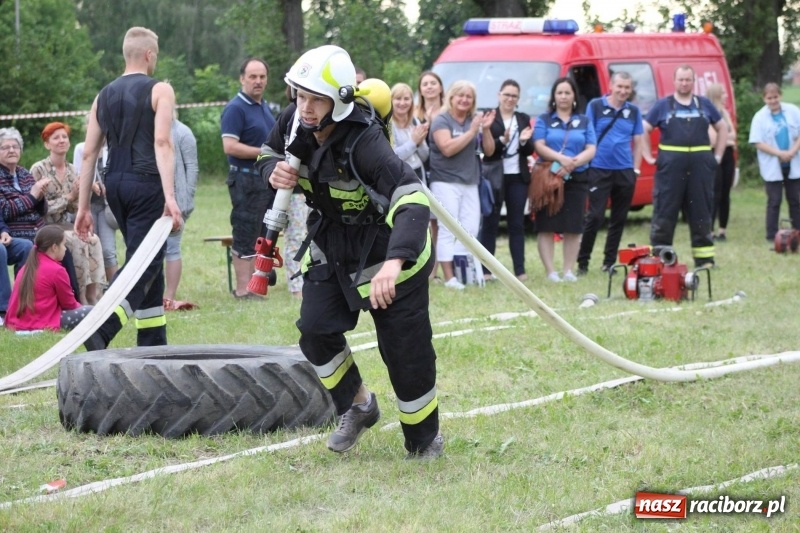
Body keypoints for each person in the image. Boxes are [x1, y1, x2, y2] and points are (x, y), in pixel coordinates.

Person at [257, 45, 442, 459]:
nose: (304, 108)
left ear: (339, 99)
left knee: (405, 355)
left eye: (315, 99)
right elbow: (267, 152)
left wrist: (394, 265)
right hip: (332, 243)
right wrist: (273, 170)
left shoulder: (365, 141)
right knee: (315, 330)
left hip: (387, 248)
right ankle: (358, 405)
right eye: (300, 96)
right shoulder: (292, 122)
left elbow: (412, 198)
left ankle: (424, 439)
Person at [75, 26, 183, 351]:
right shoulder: (160, 90)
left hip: (114, 186)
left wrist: (82, 208)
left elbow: (90, 153)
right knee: (146, 262)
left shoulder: (102, 96)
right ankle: (102, 328)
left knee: (144, 257)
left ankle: (152, 344)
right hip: (146, 184)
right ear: (149, 55)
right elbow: (162, 142)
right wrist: (170, 197)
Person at [642, 65, 726, 267]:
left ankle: (705, 260)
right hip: (670, 169)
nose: (684, 83)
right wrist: (647, 156)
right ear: (674, 80)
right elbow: (644, 129)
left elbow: (721, 127)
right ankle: (661, 258)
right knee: (665, 212)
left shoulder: (704, 104)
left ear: (693, 81)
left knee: (701, 212)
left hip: (700, 168)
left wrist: (718, 156)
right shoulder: (663, 105)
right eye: (681, 79)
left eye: (688, 79)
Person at [429, 80, 496, 289]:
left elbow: (490, 151)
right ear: (451, 97)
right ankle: (449, 278)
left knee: (470, 230)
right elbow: (447, 148)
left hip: (470, 181)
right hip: (445, 181)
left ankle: (466, 273)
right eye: (461, 95)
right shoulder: (441, 119)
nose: (465, 100)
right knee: (448, 229)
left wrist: (485, 130)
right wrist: (471, 132)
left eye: (469, 97)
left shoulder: (473, 120)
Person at [31, 122, 106, 305]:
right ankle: (78, 299)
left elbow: (74, 209)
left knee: (93, 239)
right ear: (47, 144)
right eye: (56, 138)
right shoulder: (38, 169)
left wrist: (83, 193)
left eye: (64, 137)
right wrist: (71, 195)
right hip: (45, 227)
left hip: (66, 224)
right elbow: (40, 208)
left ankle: (95, 296)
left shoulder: (73, 170)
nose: (61, 140)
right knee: (75, 241)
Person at [577, 71, 644, 275]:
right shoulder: (596, 105)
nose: (623, 91)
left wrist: (636, 169)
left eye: (627, 87)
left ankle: (609, 262)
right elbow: (588, 135)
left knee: (619, 218)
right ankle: (583, 262)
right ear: (611, 86)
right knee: (595, 216)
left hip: (624, 170)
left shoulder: (633, 111)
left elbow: (639, 141)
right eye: (620, 87)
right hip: (599, 168)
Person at [221, 57, 276, 299]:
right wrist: (265, 153)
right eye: (253, 77)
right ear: (242, 78)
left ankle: (257, 285)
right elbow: (230, 146)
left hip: (265, 180)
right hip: (244, 180)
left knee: (263, 234)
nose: (258, 81)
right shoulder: (236, 108)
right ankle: (243, 290)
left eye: (262, 77)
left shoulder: (263, 106)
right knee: (244, 233)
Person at [532, 77, 596, 282]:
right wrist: (561, 159)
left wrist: (574, 163)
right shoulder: (545, 119)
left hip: (577, 177)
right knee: (547, 225)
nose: (563, 97)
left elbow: (591, 148)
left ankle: (568, 270)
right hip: (550, 177)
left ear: (574, 96)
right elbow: (539, 145)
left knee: (574, 226)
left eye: (567, 93)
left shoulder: (584, 120)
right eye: (559, 93)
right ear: (554, 96)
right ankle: (551, 271)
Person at [479, 79, 534, 281]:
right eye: (507, 95)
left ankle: (520, 270)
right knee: (491, 222)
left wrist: (523, 141)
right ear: (499, 95)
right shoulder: (490, 117)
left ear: (518, 99)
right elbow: (487, 149)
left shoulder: (523, 118)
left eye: (514, 96)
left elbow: (529, 150)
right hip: (494, 176)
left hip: (518, 177)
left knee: (516, 223)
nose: (510, 99)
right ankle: (486, 270)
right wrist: (503, 139)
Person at [5, 225, 93, 332]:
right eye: (64, 245)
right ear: (54, 247)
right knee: (90, 312)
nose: (65, 249)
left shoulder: (26, 267)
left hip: (16, 324)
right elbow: (69, 304)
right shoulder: (57, 270)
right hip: (40, 323)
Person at [0, 127, 45, 322]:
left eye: (15, 146)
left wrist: (40, 197)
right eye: (5, 147)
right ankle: (3, 310)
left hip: (33, 231)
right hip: (13, 232)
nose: (11, 150)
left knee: (60, 244)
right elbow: (5, 210)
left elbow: (40, 210)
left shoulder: (25, 173)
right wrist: (32, 196)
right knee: (2, 250)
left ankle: (25, 305)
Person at [748, 83, 800, 241]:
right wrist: (779, 153)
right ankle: (772, 234)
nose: (773, 101)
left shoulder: (793, 111)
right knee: (774, 200)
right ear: (764, 98)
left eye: (775, 97)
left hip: (793, 161)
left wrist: (791, 152)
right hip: (772, 164)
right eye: (769, 98)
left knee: (796, 199)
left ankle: (797, 231)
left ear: (780, 96)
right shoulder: (759, 117)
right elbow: (757, 141)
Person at [163, 110, 199, 311]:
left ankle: (169, 296)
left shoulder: (183, 133)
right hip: (153, 201)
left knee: (172, 247)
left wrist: (186, 198)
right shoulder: (150, 130)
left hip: (178, 201)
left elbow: (192, 168)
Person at [74, 134, 119, 282]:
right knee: (89, 248)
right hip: (88, 206)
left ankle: (114, 288)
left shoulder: (114, 148)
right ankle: (95, 290)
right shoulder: (81, 148)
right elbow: (76, 175)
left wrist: (110, 188)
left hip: (107, 206)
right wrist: (89, 184)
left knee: (107, 250)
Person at [414, 71, 445, 282]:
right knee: (423, 220)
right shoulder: (414, 112)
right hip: (419, 167)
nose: (430, 87)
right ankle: (423, 268)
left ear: (441, 87)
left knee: (438, 222)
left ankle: (436, 268)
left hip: (442, 168)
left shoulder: (447, 110)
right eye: (425, 84)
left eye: (433, 83)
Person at [706, 83, 737, 242]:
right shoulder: (708, 114)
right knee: (714, 193)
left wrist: (726, 138)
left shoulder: (724, 113)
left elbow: (733, 135)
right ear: (717, 95)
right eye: (723, 93)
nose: (726, 96)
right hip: (714, 155)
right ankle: (709, 230)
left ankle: (722, 230)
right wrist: (727, 137)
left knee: (725, 193)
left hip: (728, 155)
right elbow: (713, 139)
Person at [390, 83, 430, 182]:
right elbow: (392, 157)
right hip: (399, 176)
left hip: (419, 175)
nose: (402, 103)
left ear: (412, 101)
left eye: (406, 99)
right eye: (398, 98)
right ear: (391, 100)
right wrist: (413, 142)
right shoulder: (388, 125)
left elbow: (425, 156)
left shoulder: (415, 121)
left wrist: (419, 143)